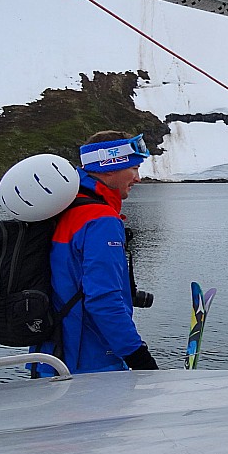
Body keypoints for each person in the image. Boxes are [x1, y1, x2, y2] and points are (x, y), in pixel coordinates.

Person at [31, 131, 159, 376]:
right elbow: (103, 300)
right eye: (133, 168)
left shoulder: (63, 206)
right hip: (89, 363)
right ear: (110, 167)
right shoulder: (100, 220)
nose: (138, 178)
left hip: (49, 356)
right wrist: (140, 358)